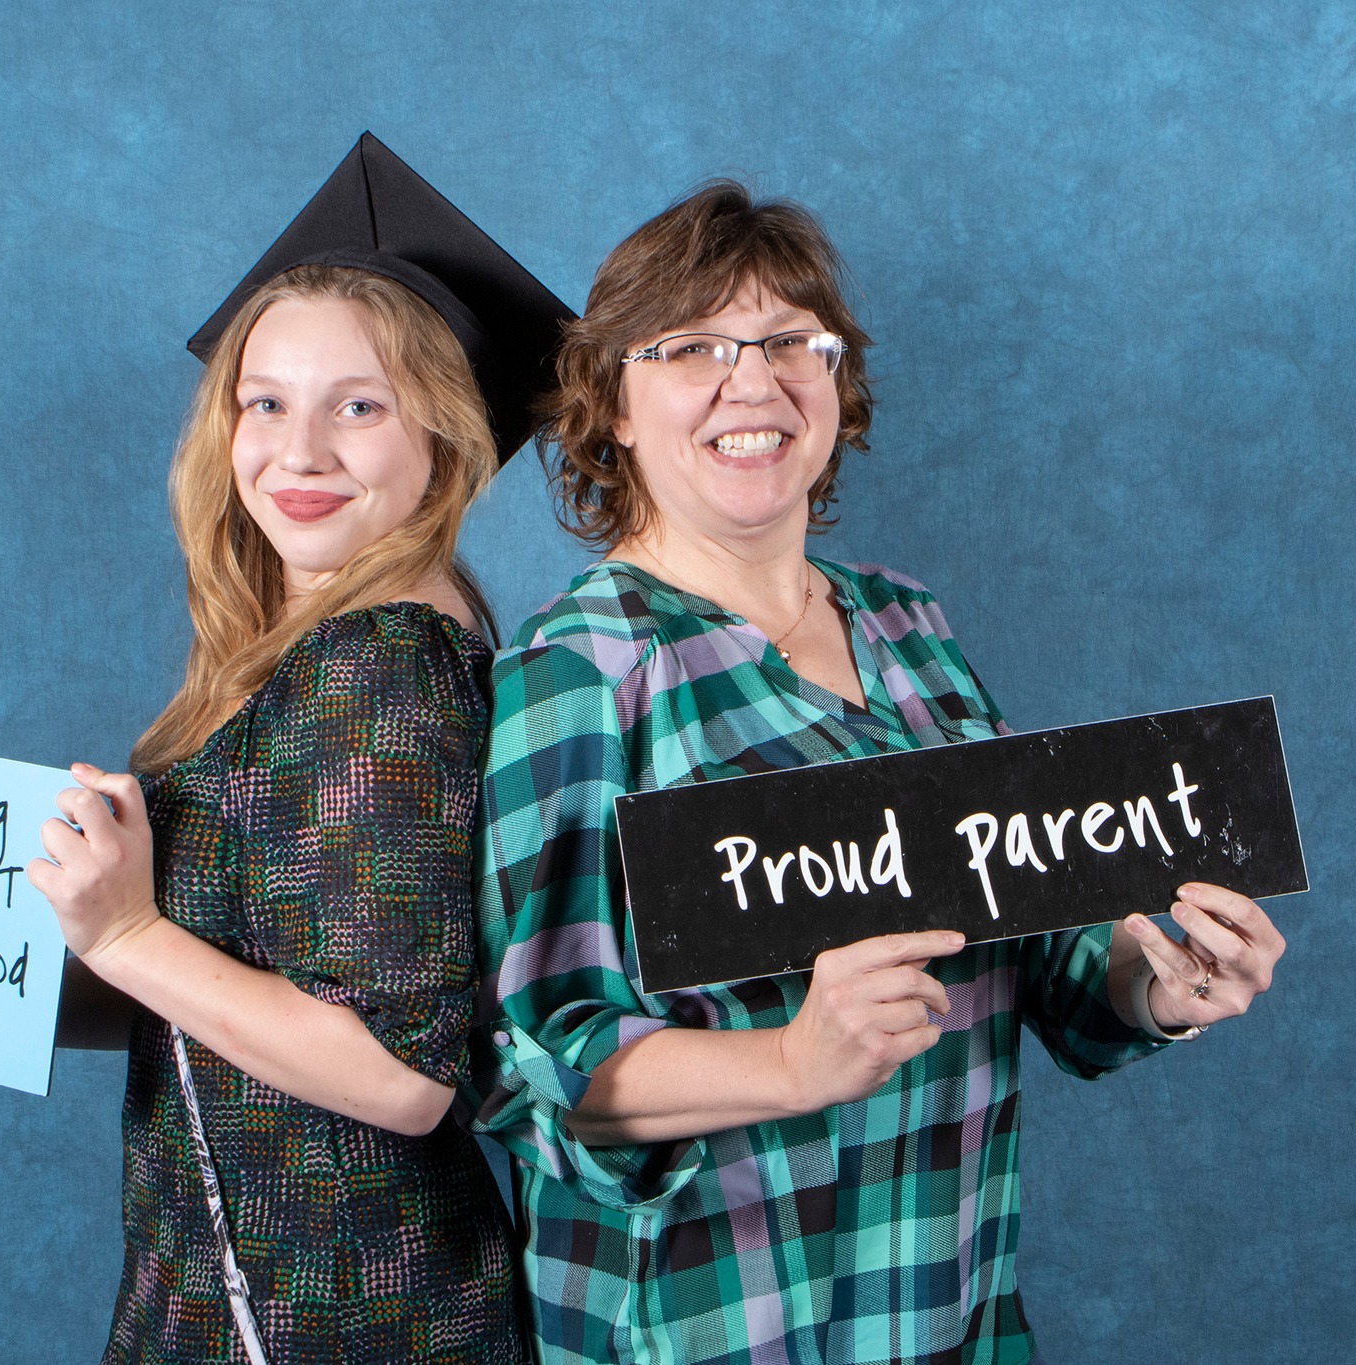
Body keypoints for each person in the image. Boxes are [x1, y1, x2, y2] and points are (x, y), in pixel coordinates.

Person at [470, 182, 1287, 1365]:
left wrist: (1158, 978)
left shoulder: (905, 625)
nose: (750, 383)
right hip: (715, 1322)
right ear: (611, 408)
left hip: (938, 1300)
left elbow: (1035, 945)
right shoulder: (582, 668)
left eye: (790, 342)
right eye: (691, 345)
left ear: (836, 386)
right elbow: (529, 1063)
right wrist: (792, 1062)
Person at [0, 133, 572, 1364]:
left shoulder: (385, 669)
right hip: (223, 1288)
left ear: (445, 435)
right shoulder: (301, 653)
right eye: (265, 402)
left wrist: (127, 933)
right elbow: (240, 977)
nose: (296, 452)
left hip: (345, 1316)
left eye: (357, 407)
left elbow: (397, 1074)